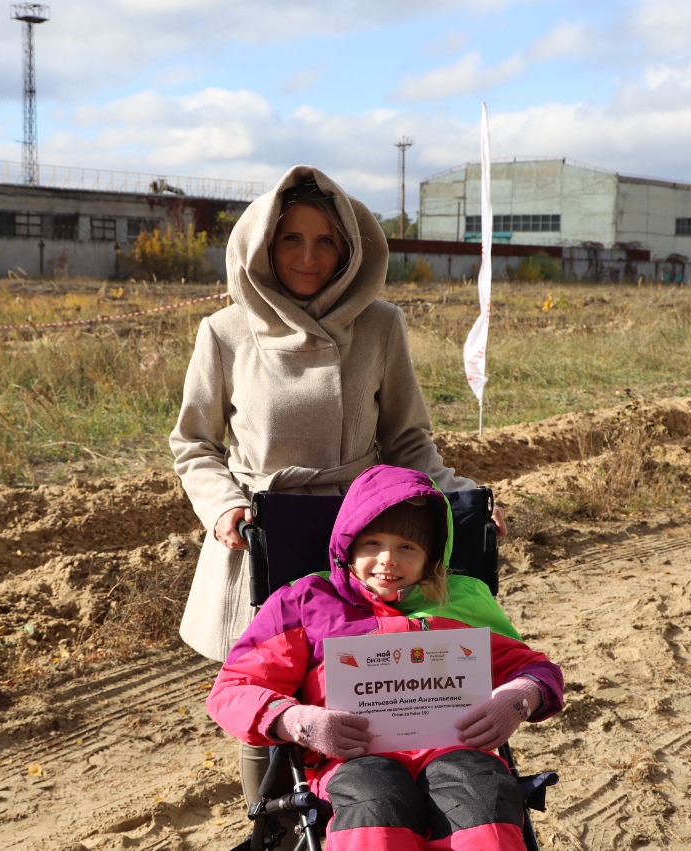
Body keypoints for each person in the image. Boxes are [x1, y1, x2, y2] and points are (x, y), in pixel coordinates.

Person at [169, 165, 506, 805]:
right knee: (270, 687)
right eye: (291, 239)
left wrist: (464, 502)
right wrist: (224, 508)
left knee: (382, 680)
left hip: (369, 533)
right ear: (264, 244)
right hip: (264, 530)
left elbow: (408, 440)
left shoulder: (379, 326)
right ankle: (269, 820)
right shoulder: (225, 332)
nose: (308, 256)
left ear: (350, 249)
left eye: (326, 241)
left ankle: (386, 801)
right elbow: (194, 444)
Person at [207, 464, 563, 850]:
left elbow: (537, 669)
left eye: (407, 547)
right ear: (348, 545)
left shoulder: (463, 600)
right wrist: (297, 721)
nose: (388, 559)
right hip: (353, 761)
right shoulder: (305, 601)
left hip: (456, 750)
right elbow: (235, 687)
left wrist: (519, 698)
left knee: (482, 793)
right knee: (372, 801)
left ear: (431, 557)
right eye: (373, 543)